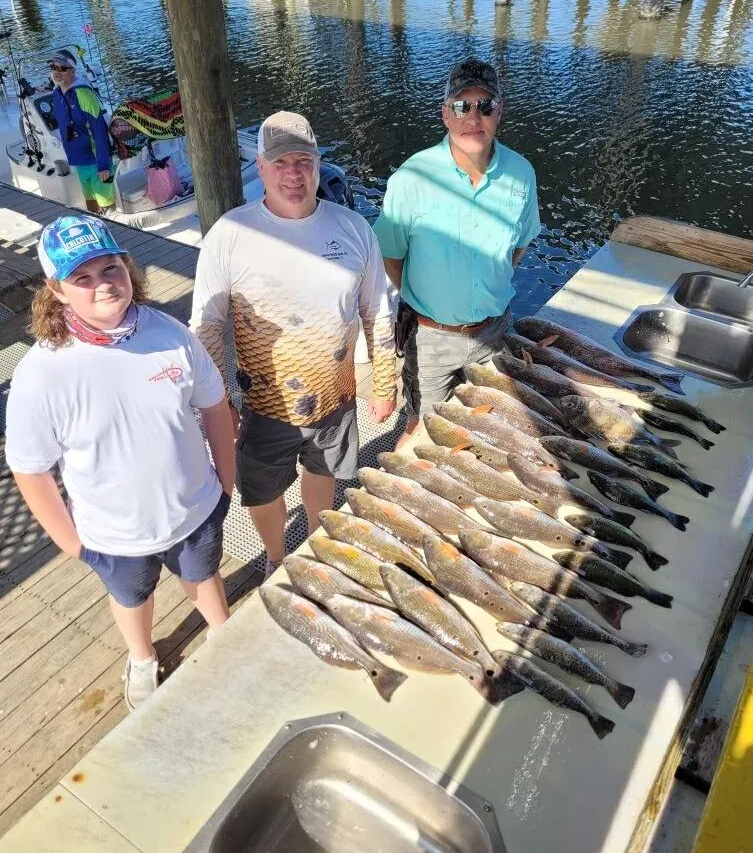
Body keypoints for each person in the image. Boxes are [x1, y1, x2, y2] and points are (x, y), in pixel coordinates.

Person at [5, 215, 236, 710]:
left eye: (110, 269)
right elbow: (29, 468)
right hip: (113, 534)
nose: (102, 285)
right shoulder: (39, 374)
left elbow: (215, 405)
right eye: (82, 279)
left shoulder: (171, 332)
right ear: (57, 291)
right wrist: (69, 541)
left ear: (128, 268)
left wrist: (225, 483)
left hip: (195, 508)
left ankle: (224, 634)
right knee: (132, 597)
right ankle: (142, 655)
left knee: (204, 575)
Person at [190, 111, 397, 578]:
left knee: (323, 478)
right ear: (260, 167)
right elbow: (207, 327)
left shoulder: (353, 229)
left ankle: (314, 549)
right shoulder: (229, 235)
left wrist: (384, 384)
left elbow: (378, 312)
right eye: (280, 162)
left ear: (318, 165)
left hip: (338, 399)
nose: (293, 173)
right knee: (262, 492)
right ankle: (277, 555)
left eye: (303, 160)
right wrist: (219, 404)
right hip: (265, 405)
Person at [374, 57, 541, 446]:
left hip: (494, 332)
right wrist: (428, 306)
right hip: (430, 337)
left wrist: (487, 283)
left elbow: (521, 243)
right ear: (445, 114)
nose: (474, 116)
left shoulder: (522, 173)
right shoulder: (412, 177)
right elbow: (390, 255)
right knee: (423, 434)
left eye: (485, 105)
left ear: (499, 112)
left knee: (491, 428)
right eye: (462, 106)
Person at [48, 48, 115, 215]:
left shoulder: (84, 95)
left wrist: (104, 165)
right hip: (79, 160)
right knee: (91, 201)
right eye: (53, 67)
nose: (57, 72)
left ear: (73, 71)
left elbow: (100, 131)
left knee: (106, 204)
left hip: (96, 161)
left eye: (62, 68)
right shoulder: (57, 93)